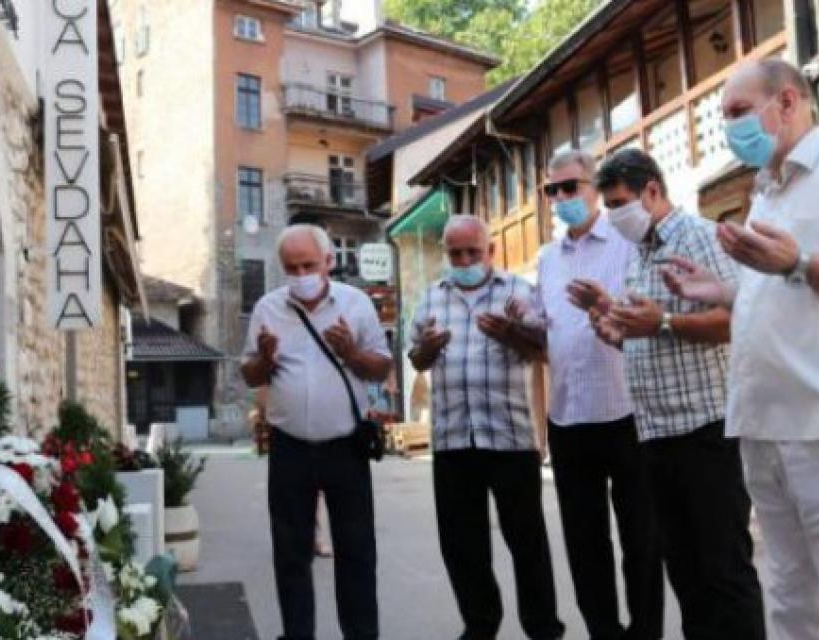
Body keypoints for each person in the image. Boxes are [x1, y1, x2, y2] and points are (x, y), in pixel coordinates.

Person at [570, 148, 765, 640]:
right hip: (655, 435)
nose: (613, 216)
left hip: (706, 429)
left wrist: (662, 323)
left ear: (652, 191)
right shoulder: (640, 254)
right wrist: (612, 328)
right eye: (609, 206)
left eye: (619, 204)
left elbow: (737, 321)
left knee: (724, 570)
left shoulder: (700, 237)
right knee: (684, 573)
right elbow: (646, 335)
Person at [663, 59, 819, 640]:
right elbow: (781, 295)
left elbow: (795, 271)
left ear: (787, 101)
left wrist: (797, 262)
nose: (729, 129)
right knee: (789, 590)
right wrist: (725, 291)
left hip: (812, 423)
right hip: (760, 423)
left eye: (737, 112)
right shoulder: (766, 190)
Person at [408, 214, 564, 640]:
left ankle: (543, 629)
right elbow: (417, 359)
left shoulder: (519, 291)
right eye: (455, 253)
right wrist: (426, 349)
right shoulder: (432, 297)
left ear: (490, 251)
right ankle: (479, 625)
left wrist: (512, 333)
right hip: (453, 439)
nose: (464, 261)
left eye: (472, 252)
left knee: (527, 542)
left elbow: (543, 349)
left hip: (509, 438)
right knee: (462, 545)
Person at [530, 150, 663, 640]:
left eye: (571, 187)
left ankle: (645, 632)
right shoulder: (547, 259)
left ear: (594, 188)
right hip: (568, 416)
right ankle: (603, 632)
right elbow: (545, 334)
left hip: (627, 411)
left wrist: (605, 309)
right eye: (554, 190)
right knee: (585, 544)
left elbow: (648, 314)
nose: (562, 197)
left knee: (642, 540)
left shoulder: (627, 243)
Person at [241, 224, 393, 640]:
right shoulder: (268, 308)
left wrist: (351, 352)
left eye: (308, 265)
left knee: (356, 552)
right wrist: (265, 359)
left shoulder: (356, 304)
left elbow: (381, 367)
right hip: (289, 447)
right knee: (290, 553)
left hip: (345, 447)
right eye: (291, 267)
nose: (301, 274)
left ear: (328, 261)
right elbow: (250, 374)